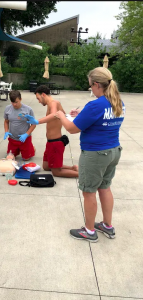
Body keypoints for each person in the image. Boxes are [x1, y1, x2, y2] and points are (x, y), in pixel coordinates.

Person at [54, 67, 125, 242]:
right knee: (105, 187)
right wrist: (81, 115)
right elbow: (102, 120)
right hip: (114, 151)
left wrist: (61, 116)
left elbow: (71, 129)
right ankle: (107, 226)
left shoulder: (96, 104)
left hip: (95, 154)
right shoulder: (117, 101)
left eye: (90, 87)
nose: (91, 90)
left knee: (89, 192)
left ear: (96, 84)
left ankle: (89, 231)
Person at [24, 85, 78, 178]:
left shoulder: (54, 103)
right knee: (46, 166)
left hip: (56, 143)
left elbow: (54, 115)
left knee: (56, 172)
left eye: (38, 98)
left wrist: (37, 121)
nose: (39, 101)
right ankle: (72, 168)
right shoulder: (54, 104)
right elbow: (63, 115)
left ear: (43, 94)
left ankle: (83, 175)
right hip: (50, 143)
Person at [4, 90, 36, 160]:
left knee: (26, 158)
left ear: (20, 99)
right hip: (13, 138)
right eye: (12, 102)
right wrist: (6, 131)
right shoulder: (7, 109)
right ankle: (18, 149)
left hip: (24, 138)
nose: (14, 104)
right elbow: (6, 121)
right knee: (10, 157)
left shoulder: (28, 110)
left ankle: (31, 147)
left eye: (16, 102)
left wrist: (26, 134)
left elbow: (33, 124)